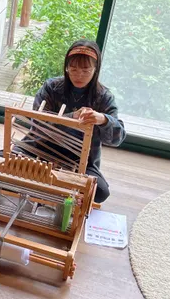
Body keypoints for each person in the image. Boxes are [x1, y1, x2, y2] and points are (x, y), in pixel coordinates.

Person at [30, 39, 125, 203]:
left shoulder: (103, 97)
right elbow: (37, 124)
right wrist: (71, 117)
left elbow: (118, 138)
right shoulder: (51, 87)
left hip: (80, 159)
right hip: (41, 148)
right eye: (73, 69)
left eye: (86, 70)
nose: (78, 75)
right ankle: (49, 186)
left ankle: (44, 186)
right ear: (66, 67)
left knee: (100, 192)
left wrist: (103, 119)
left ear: (96, 69)